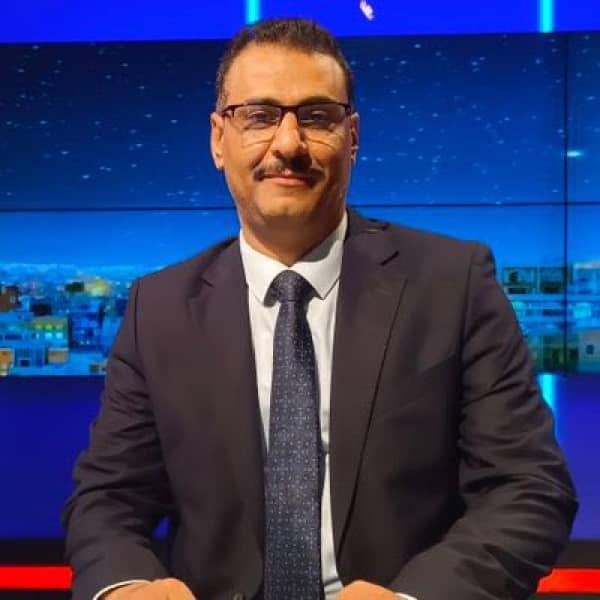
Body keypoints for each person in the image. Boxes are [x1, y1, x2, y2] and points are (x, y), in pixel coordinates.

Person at [63, 17, 577, 600]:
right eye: (259, 116)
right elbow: (108, 498)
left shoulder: (453, 283)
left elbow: (527, 487)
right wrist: (128, 586)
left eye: (316, 117)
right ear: (218, 139)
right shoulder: (158, 309)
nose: (288, 144)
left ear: (352, 137)